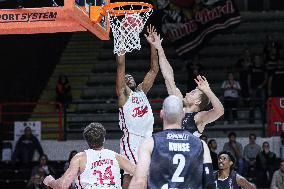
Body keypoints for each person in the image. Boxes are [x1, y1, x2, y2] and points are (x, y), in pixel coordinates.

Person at [129, 95, 215, 189]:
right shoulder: (201, 144)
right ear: (183, 114)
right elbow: (209, 183)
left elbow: (139, 182)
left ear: (162, 114)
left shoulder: (150, 143)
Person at [147, 33, 224, 136]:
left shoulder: (199, 118)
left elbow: (219, 111)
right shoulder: (178, 104)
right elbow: (168, 77)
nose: (188, 92)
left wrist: (207, 90)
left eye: (193, 92)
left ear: (197, 101)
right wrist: (159, 48)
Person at [116, 25, 158, 188]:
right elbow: (121, 65)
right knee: (136, 174)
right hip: (132, 138)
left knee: (133, 176)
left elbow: (154, 70)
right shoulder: (123, 95)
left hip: (148, 138)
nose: (129, 77)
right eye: (126, 77)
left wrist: (153, 45)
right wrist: (121, 42)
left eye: (131, 76)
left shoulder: (141, 91)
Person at [43, 122, 135, 189]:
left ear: (87, 141)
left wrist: (50, 181)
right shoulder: (116, 157)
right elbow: (141, 173)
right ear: (104, 139)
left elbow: (62, 185)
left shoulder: (80, 158)